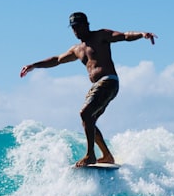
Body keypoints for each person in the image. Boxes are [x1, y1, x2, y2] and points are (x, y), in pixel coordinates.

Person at [20, 12, 156, 167]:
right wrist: (34, 65)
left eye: (78, 27)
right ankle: (107, 155)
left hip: (108, 81)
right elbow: (57, 60)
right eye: (73, 28)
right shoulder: (77, 49)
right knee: (89, 121)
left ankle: (90, 155)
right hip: (97, 86)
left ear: (86, 24)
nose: (76, 31)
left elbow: (124, 36)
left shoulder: (101, 36)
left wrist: (142, 34)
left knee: (84, 113)